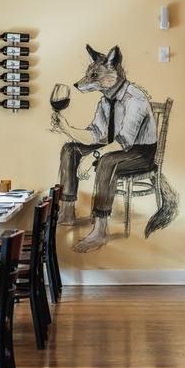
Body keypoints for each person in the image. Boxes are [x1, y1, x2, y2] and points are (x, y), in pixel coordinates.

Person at [54, 45, 157, 252]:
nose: (84, 83)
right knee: (69, 149)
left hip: (139, 151)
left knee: (106, 161)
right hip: (114, 145)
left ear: (114, 70)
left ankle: (100, 230)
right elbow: (97, 134)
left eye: (94, 76)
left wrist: (91, 156)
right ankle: (67, 212)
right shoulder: (105, 100)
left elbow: (124, 142)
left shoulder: (134, 99)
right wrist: (68, 129)